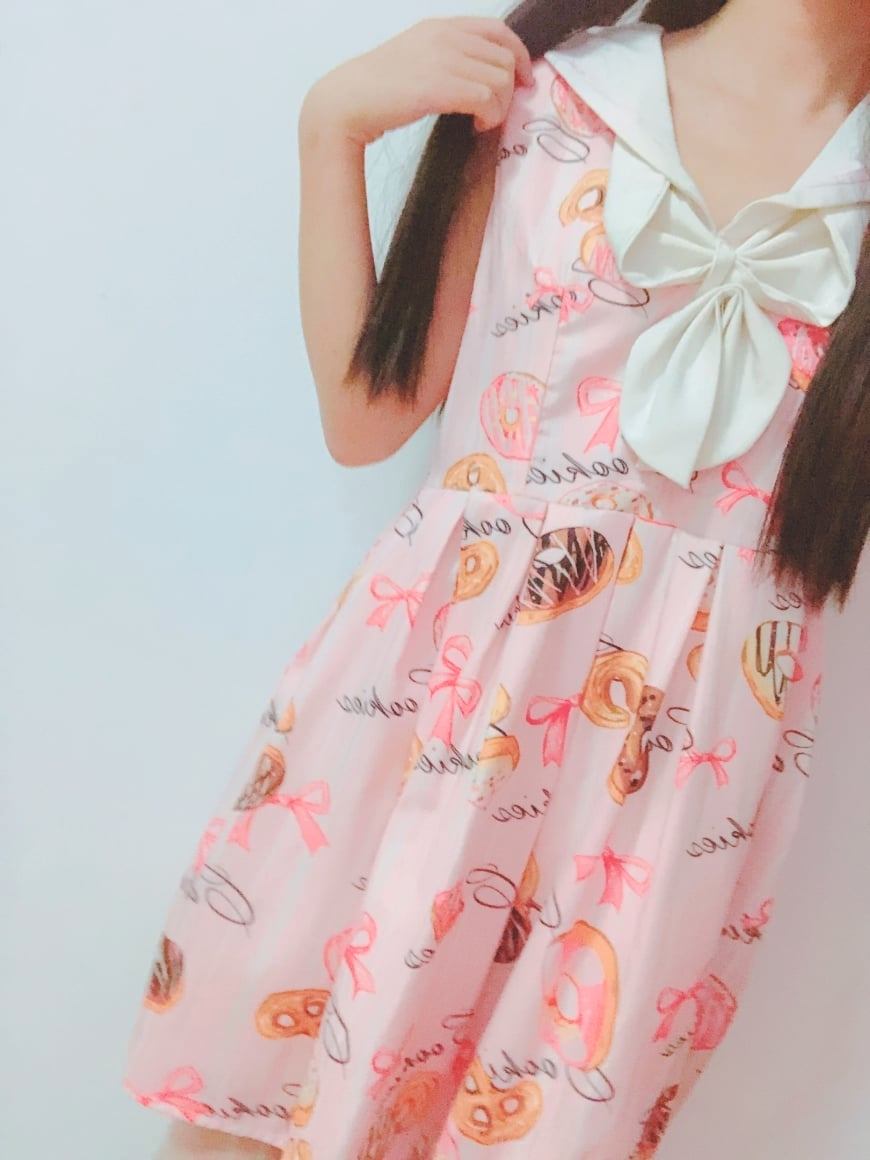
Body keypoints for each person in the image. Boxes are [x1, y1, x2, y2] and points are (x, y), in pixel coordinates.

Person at [122, 1, 870, 1157]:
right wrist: (332, 125)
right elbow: (368, 416)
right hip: (430, 709)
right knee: (264, 1120)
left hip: (673, 782)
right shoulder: (553, 94)